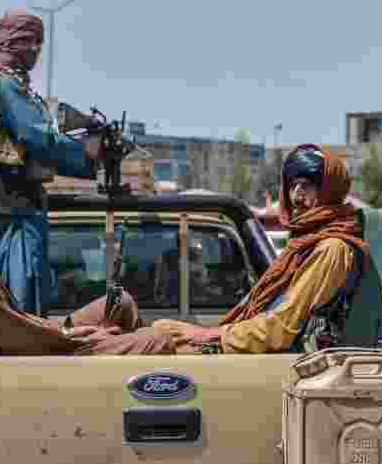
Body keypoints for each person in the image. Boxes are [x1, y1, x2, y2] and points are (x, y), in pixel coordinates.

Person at [0, 148, 175, 356]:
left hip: (40, 341)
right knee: (156, 340)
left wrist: (67, 329)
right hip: (32, 359)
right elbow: (18, 339)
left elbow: (17, 321)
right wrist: (78, 336)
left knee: (121, 302)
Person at [152, 144, 369, 353]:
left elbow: (280, 328)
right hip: (255, 341)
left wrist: (212, 335)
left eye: (306, 186)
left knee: (154, 342)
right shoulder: (306, 243)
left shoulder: (332, 248)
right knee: (160, 329)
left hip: (276, 354)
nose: (296, 196)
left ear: (328, 191)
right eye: (293, 186)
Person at [0, 9, 104, 316]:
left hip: (16, 208)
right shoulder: (5, 84)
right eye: (31, 41)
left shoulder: (4, 81)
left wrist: (85, 159)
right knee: (21, 301)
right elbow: (37, 138)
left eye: (39, 42)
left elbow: (42, 145)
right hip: (15, 211)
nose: (37, 50)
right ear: (12, 42)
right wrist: (88, 151)